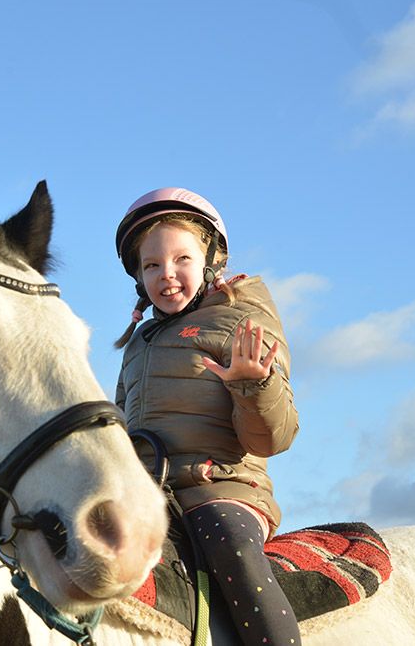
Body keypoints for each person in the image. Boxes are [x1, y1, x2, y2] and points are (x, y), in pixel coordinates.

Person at [114, 187, 301, 646]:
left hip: (220, 489)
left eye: (182, 260)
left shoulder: (241, 324)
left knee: (230, 545)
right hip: (151, 493)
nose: (167, 274)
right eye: (152, 264)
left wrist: (252, 384)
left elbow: (272, 439)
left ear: (210, 261)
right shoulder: (139, 344)